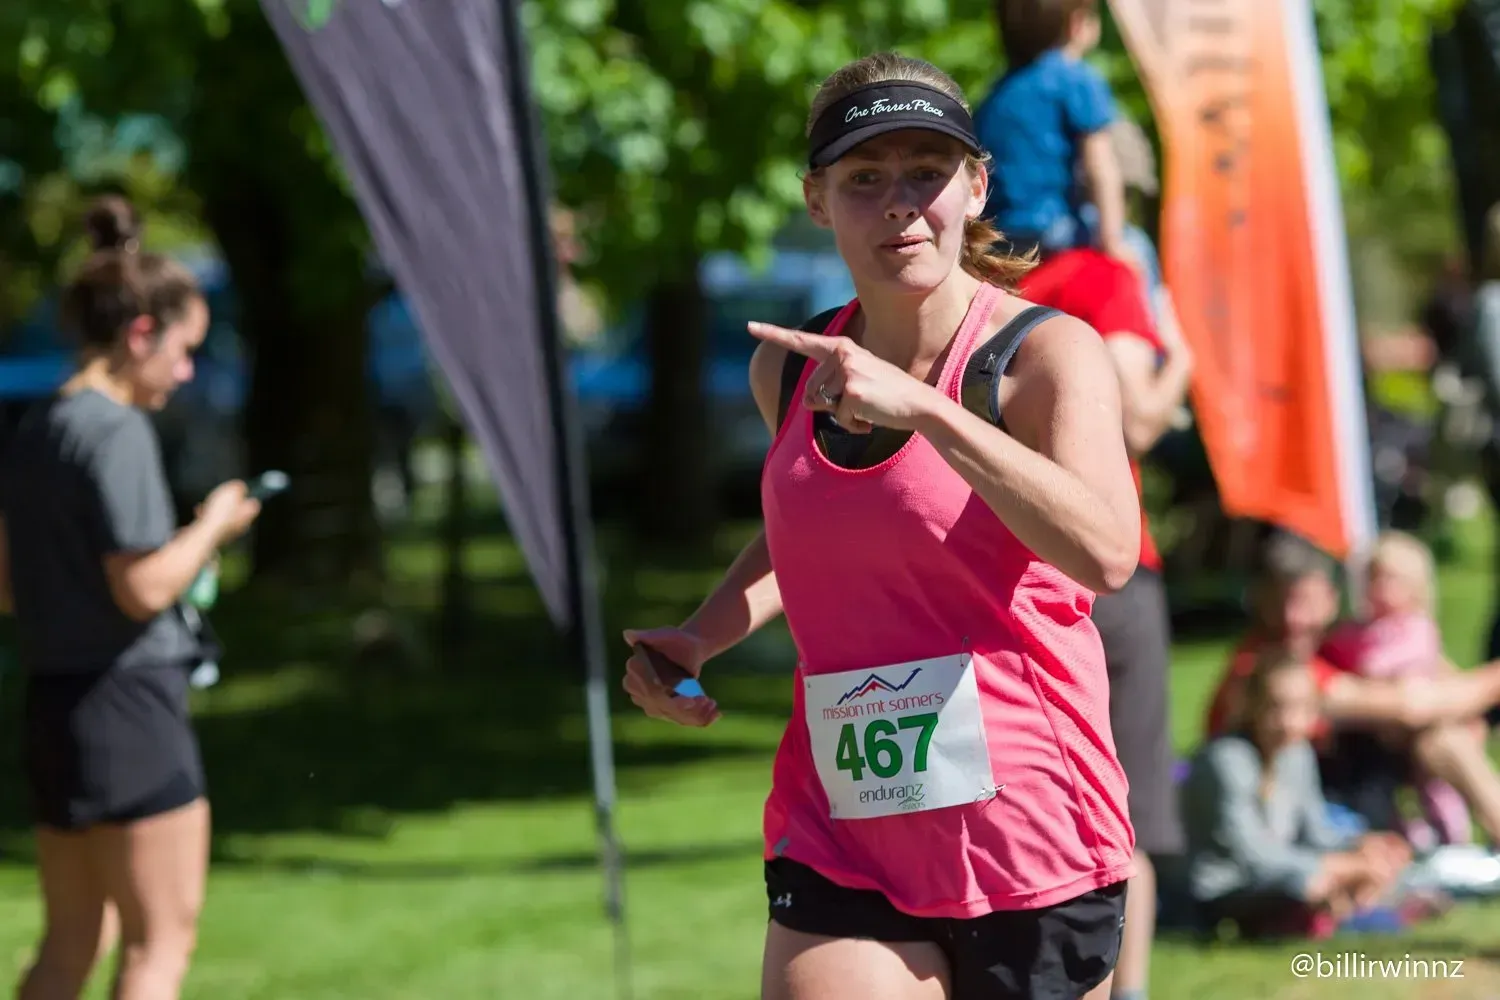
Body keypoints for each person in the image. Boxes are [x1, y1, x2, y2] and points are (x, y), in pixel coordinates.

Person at [623, 51, 1140, 1000]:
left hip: (1027, 826)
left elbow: (1106, 550)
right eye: (865, 178)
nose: (900, 202)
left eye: (926, 172)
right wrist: (702, 633)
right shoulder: (793, 370)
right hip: (845, 825)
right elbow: (813, 531)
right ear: (818, 200)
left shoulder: (1042, 357)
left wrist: (929, 411)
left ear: (975, 186)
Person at [0, 195, 261, 1000]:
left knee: (72, 943)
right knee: (158, 947)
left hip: (57, 707)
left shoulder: (41, 423)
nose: (186, 373)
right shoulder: (116, 430)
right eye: (184, 351)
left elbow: (8, 586)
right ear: (141, 333)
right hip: (131, 707)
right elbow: (143, 587)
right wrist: (214, 526)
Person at [1207, 534, 1500, 848]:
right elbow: (1410, 706)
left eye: (1306, 602)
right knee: (1438, 737)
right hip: (1275, 793)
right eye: (1282, 602)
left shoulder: (1328, 648)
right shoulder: (1268, 664)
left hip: (1332, 773)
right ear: (1263, 602)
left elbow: (1433, 682)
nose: (1293, 617)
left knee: (1441, 737)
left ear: (1332, 600)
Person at [1181, 649, 1411, 938]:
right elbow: (1251, 854)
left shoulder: (1297, 754)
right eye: (1276, 708)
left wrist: (1361, 845)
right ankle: (1328, 913)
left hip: (1283, 871)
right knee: (1310, 881)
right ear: (1252, 706)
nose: (1289, 721)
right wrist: (1339, 866)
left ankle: (1343, 910)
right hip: (1228, 886)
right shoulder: (1226, 760)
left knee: (1366, 865)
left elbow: (1315, 832)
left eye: (1300, 709)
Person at [1320, 532, 1472, 845]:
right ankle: (1411, 838)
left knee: (1435, 788)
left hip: (1414, 730)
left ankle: (1453, 838)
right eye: (1374, 579)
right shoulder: (1358, 629)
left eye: (1391, 580)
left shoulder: (1416, 627)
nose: (1380, 589)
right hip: (1375, 736)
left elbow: (1387, 668)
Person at [976, 0, 1133, 267]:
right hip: (1056, 229)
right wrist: (1112, 242)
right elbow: (1100, 168)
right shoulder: (1078, 80)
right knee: (1139, 245)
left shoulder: (995, 94)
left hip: (1001, 235)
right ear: (1077, 23)